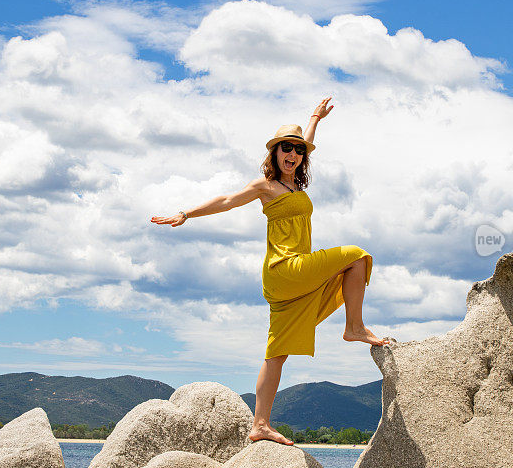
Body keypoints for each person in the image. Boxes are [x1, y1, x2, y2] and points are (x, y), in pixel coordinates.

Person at [151, 97, 391, 446]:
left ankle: (259, 423)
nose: (292, 154)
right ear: (274, 154)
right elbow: (227, 200)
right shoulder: (265, 187)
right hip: (286, 268)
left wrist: (315, 119)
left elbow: (306, 140)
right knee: (356, 256)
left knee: (276, 353)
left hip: (291, 280)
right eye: (285, 149)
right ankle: (354, 326)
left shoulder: (297, 186)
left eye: (297, 150)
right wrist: (186, 213)